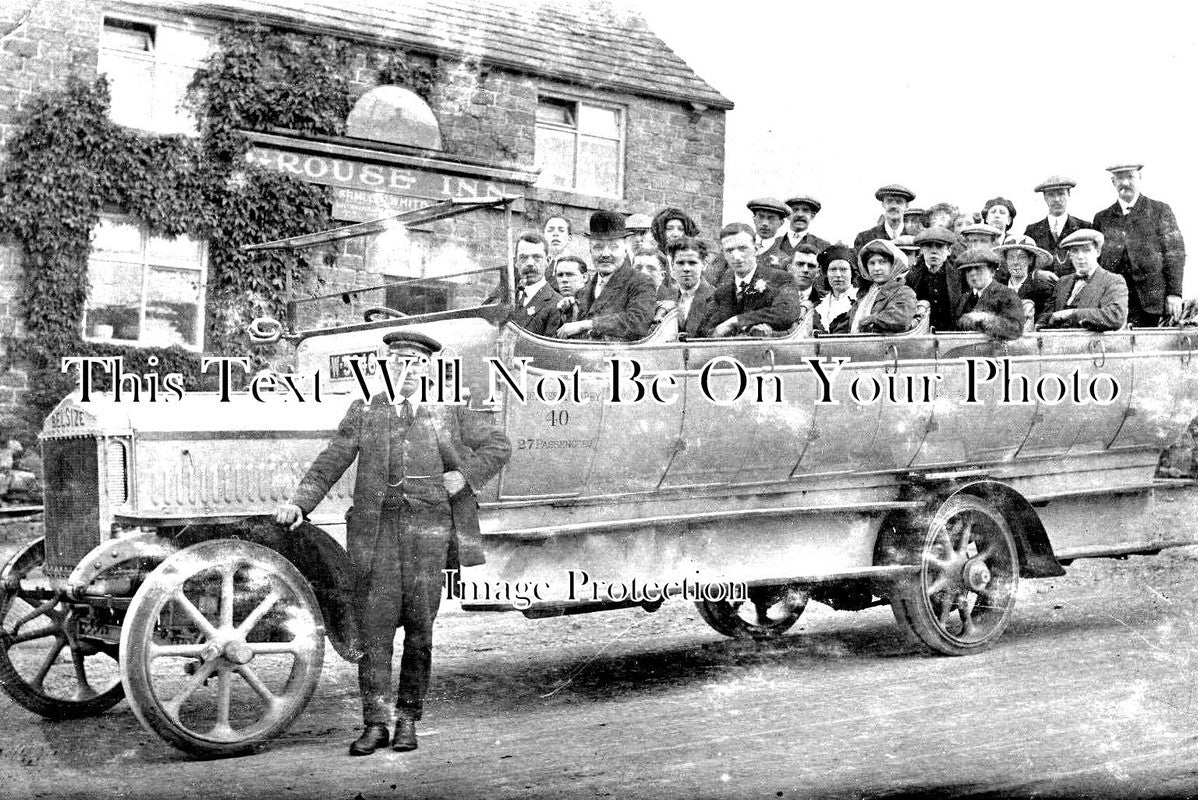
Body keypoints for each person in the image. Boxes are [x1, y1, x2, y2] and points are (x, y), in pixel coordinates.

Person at [274, 331, 511, 756]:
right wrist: (299, 503)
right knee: (375, 630)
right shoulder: (366, 407)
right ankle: (375, 723)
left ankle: (407, 720)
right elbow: (333, 457)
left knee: (420, 629)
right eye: (397, 361)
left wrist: (465, 475)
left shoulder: (450, 407)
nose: (406, 370)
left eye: (415, 363)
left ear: (428, 368)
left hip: (429, 532)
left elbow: (498, 445)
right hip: (377, 533)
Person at [1092, 162, 1187, 327]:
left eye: (1130, 176)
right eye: (1120, 178)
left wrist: (1174, 293)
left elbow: (1175, 254)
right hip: (1113, 301)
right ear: (1113, 182)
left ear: (1140, 178)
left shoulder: (1159, 210)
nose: (1126, 183)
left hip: (1152, 302)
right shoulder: (1102, 218)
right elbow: (1095, 261)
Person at [557, 210, 656, 341]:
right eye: (598, 247)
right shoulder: (583, 291)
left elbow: (637, 322)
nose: (605, 254)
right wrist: (567, 312)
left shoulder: (640, 282)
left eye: (613, 247)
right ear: (590, 251)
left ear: (625, 250)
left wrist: (587, 324)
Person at [701, 222, 800, 337]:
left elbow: (788, 312)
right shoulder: (722, 292)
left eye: (743, 248)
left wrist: (736, 321)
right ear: (724, 254)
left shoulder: (781, 279)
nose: (736, 256)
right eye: (729, 250)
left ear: (756, 249)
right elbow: (706, 330)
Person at [1037, 229, 1128, 331]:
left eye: (1086, 250)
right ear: (1069, 255)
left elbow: (1115, 316)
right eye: (1074, 251)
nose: (1080, 257)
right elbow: (1046, 317)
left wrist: (1072, 314)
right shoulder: (1062, 282)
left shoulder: (1113, 281)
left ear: (1098, 252)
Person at [835, 238, 918, 334]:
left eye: (882, 262)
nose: (876, 268)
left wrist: (871, 320)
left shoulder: (903, 292)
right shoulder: (865, 294)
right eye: (871, 263)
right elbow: (846, 324)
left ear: (894, 264)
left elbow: (900, 319)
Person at [955, 247, 1025, 340]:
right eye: (968, 270)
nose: (972, 273)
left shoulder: (1007, 295)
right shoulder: (964, 299)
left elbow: (1015, 330)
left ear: (992, 271)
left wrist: (985, 318)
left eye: (978, 268)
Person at [905, 226, 963, 332]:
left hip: (951, 334)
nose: (934, 251)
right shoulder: (910, 277)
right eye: (928, 246)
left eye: (939, 246)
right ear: (922, 250)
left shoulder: (960, 276)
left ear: (949, 251)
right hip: (921, 335)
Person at [1024, 176, 1088, 270]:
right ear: (1045, 197)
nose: (1056, 199)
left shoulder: (1084, 227)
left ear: (1068, 195)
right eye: (1051, 195)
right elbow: (1026, 263)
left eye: (1061, 194)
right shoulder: (1032, 231)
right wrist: (1036, 274)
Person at [509, 232, 562, 337]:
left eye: (537, 257)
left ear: (548, 261)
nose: (530, 263)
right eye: (523, 257)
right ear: (515, 262)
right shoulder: (505, 298)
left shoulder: (557, 304)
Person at [996, 238, 1056, 319]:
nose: (1015, 262)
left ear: (1030, 260)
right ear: (1006, 260)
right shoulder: (999, 288)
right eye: (1011, 257)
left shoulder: (1040, 286)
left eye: (1021, 257)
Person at [667, 236, 715, 338]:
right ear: (672, 266)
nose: (686, 268)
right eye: (680, 263)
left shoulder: (716, 298)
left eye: (692, 263)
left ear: (704, 264)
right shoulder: (667, 297)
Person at [853, 184, 915, 251]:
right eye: (889, 201)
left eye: (899, 202)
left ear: (906, 206)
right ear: (883, 204)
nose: (893, 206)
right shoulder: (864, 238)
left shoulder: (915, 237)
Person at [813, 243, 857, 333]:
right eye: (833, 270)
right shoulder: (819, 302)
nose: (838, 275)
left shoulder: (860, 299)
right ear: (826, 273)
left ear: (851, 273)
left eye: (843, 269)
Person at [747, 197, 791, 263]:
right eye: (761, 217)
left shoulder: (783, 260)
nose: (765, 223)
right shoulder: (739, 248)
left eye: (771, 218)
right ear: (754, 219)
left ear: (781, 223)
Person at [553, 255, 589, 325]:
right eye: (560, 275)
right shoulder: (556, 305)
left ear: (584, 277)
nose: (564, 280)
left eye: (570, 275)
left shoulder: (593, 303)